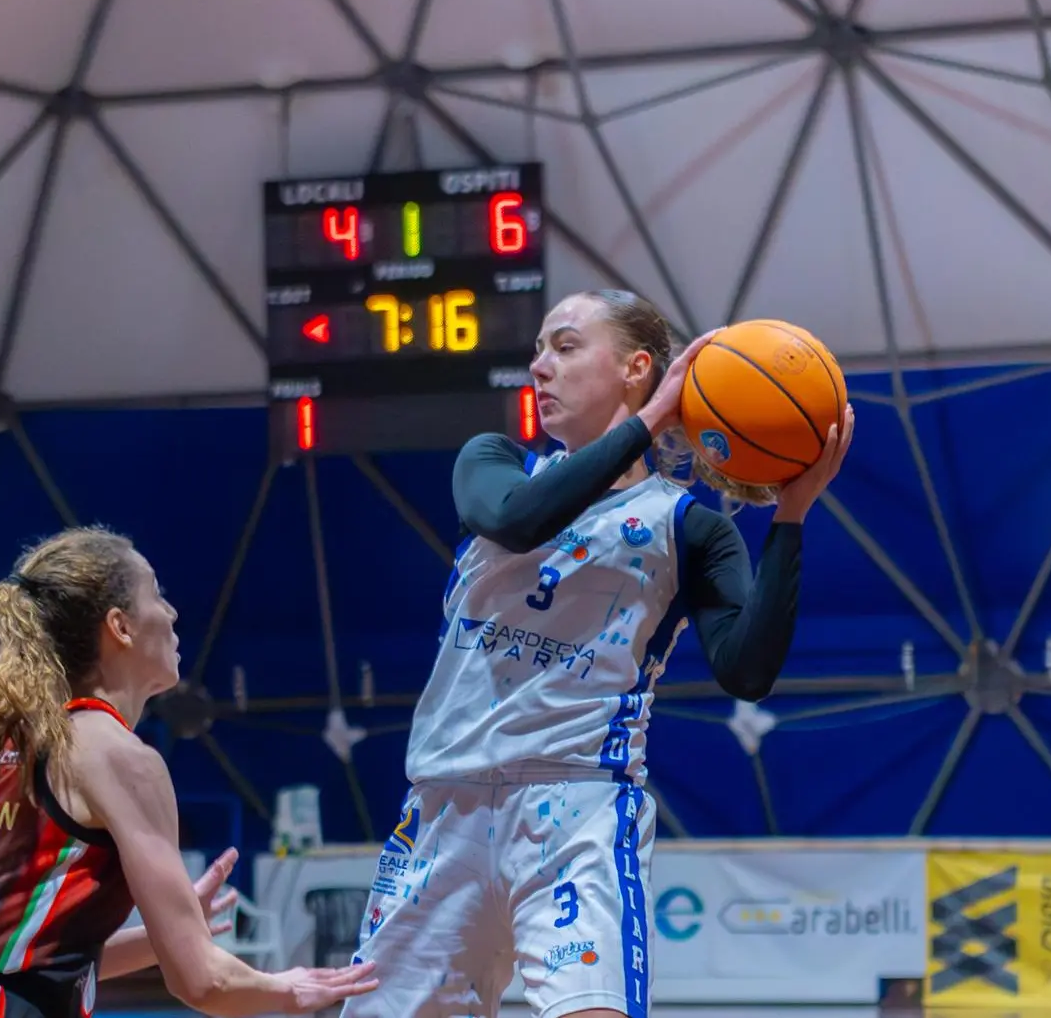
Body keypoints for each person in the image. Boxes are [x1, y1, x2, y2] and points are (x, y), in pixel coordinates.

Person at [344, 290, 854, 1018]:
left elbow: (748, 670)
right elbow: (520, 522)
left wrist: (793, 514)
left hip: (576, 801)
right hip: (443, 802)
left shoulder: (690, 527)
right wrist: (653, 419)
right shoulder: (497, 464)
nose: (538, 365)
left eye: (564, 345)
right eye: (538, 351)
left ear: (636, 366)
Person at [0, 527, 377, 1018]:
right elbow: (202, 982)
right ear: (120, 627)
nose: (173, 612)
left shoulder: (9, 746)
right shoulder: (111, 751)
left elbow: (24, 958)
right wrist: (288, 988)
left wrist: (168, 933)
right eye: (157, 593)